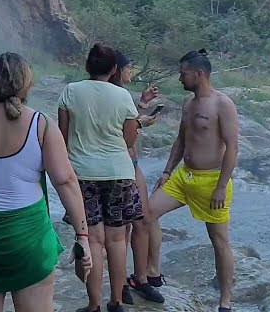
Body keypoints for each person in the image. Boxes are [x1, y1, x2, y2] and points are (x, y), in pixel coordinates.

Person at [0, 52, 93, 312]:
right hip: (28, 237)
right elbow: (65, 181)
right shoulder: (40, 123)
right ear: (28, 85)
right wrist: (82, 236)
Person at [148, 50, 240, 312]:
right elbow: (180, 140)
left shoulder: (223, 104)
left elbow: (232, 147)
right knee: (146, 214)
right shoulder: (188, 103)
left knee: (219, 242)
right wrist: (166, 172)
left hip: (211, 181)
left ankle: (225, 301)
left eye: (183, 73)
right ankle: (153, 271)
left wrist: (222, 186)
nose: (180, 77)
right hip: (182, 177)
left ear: (199, 74)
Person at [58, 44, 144, 312]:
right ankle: (116, 301)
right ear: (114, 69)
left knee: (92, 240)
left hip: (81, 175)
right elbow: (129, 139)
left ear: (87, 66)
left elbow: (62, 137)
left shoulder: (70, 92)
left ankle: (93, 304)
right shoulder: (123, 96)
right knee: (117, 240)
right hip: (119, 173)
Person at [108, 52, 165, 305]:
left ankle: (141, 279)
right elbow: (116, 133)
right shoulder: (108, 96)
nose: (132, 72)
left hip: (134, 165)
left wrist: (142, 103)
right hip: (118, 168)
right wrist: (140, 124)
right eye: (129, 68)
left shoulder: (124, 96)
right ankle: (120, 285)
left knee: (141, 221)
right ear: (116, 69)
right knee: (124, 227)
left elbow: (129, 124)